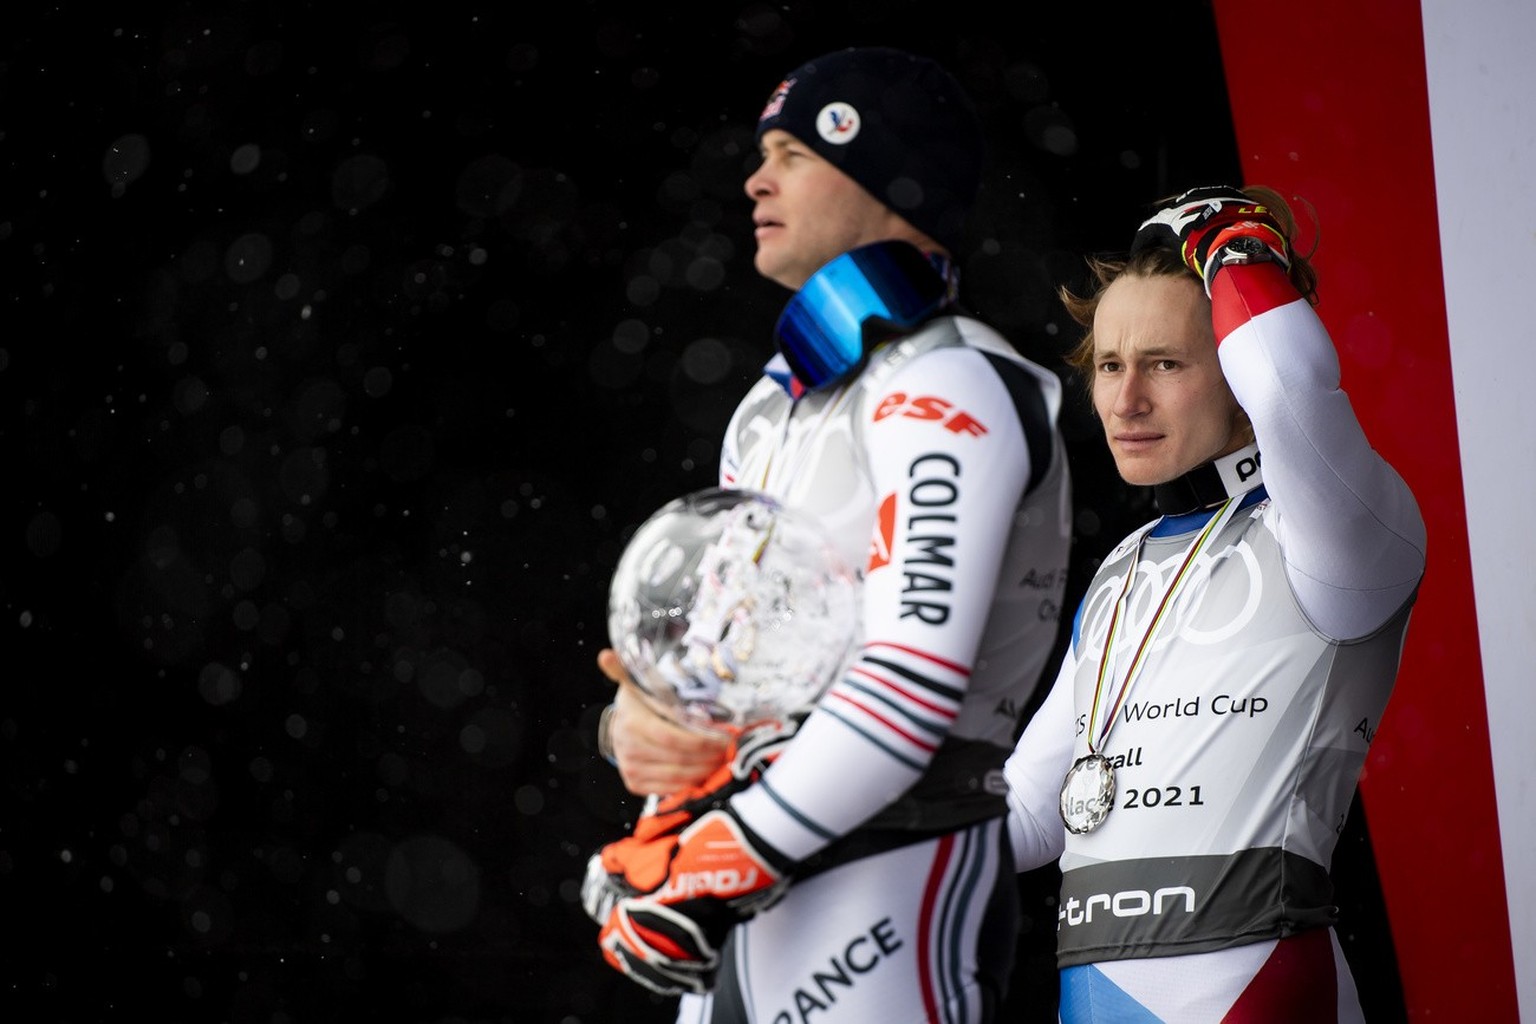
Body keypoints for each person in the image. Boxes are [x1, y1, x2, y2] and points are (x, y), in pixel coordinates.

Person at [582, 46, 1074, 1022]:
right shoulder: (773, 407)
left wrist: (723, 857)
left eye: (793, 153)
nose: (756, 179)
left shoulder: (952, 381)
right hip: (753, 885)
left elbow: (911, 681)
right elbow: (736, 679)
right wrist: (659, 776)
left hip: (887, 870)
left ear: (888, 176)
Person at [1002, 185, 1427, 1022]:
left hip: (1256, 984)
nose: (1125, 402)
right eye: (1112, 366)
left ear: (1231, 370)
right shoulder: (1126, 565)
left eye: (1164, 363)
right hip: (1089, 989)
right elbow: (1028, 816)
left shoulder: (1339, 534)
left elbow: (1288, 386)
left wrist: (1233, 243)